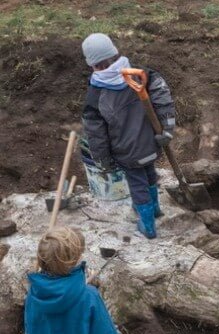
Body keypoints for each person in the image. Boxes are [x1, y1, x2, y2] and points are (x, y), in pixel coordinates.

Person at [81, 33, 176, 239]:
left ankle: (148, 225)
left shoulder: (96, 94)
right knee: (150, 173)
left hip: (126, 152)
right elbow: (163, 98)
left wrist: (102, 160)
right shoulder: (142, 73)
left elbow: (96, 134)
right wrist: (167, 128)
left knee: (137, 184)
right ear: (115, 52)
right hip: (152, 144)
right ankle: (155, 208)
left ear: (92, 64)